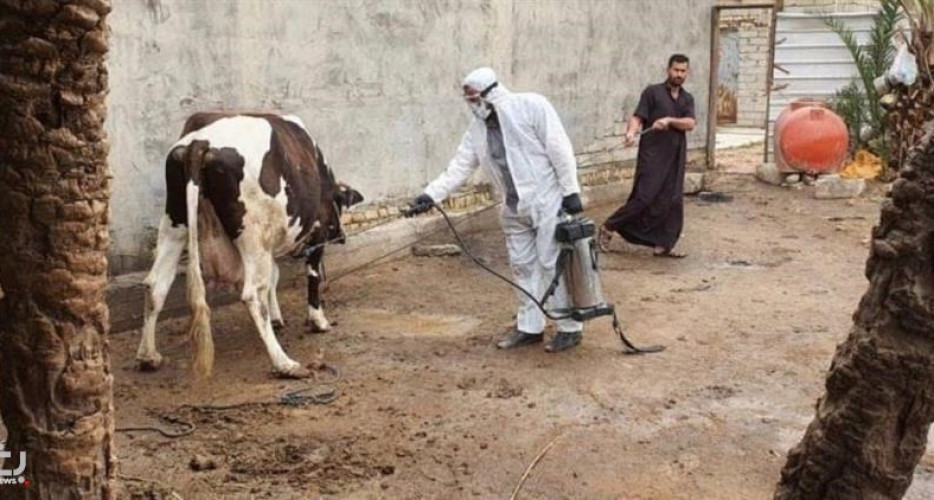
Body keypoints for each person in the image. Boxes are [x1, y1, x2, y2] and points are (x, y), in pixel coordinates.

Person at [406, 67, 585, 352]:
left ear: (491, 93)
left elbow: (558, 147)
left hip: (547, 201)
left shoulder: (532, 106)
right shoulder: (477, 131)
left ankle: (569, 327)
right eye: (469, 100)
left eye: (475, 99)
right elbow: (459, 166)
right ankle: (530, 326)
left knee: (552, 263)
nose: (472, 105)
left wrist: (570, 190)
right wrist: (430, 195)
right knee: (522, 266)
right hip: (512, 207)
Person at [598, 53, 696, 258]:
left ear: (687, 72)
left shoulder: (687, 98)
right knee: (644, 197)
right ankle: (608, 227)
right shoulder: (653, 92)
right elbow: (637, 117)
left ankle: (663, 244)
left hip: (675, 156)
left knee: (672, 200)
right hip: (652, 155)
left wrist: (669, 120)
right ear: (667, 70)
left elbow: (690, 123)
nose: (679, 74)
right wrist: (631, 132)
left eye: (683, 71)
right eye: (676, 70)